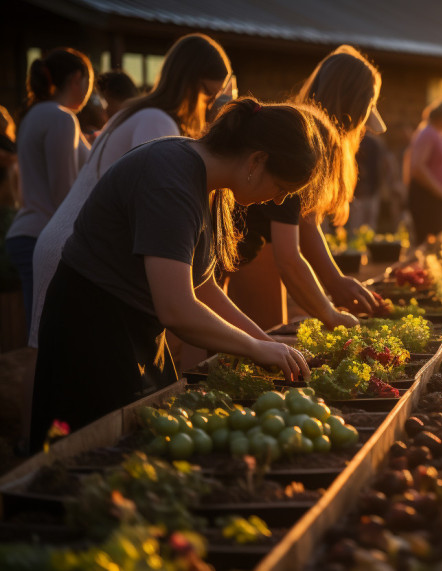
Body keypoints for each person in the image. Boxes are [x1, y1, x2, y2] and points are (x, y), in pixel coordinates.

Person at [30, 97, 336, 451]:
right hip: (92, 327)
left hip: (134, 326)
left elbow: (201, 285)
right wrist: (253, 347)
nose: (279, 202)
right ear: (257, 160)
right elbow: (176, 308)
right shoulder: (170, 177)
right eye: (281, 189)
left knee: (149, 446)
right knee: (93, 456)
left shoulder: (210, 184)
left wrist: (265, 343)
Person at [31, 33, 232, 349]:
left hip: (69, 239)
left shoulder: (139, 111)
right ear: (189, 84)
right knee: (54, 358)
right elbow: (153, 201)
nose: (209, 109)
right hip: (78, 247)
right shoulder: (157, 122)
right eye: (208, 95)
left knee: (47, 351)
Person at [226, 45, 384, 332]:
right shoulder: (302, 142)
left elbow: (304, 221)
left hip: (256, 242)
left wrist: (335, 282)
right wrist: (331, 313)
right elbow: (288, 257)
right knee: (262, 345)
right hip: (247, 239)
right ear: (354, 107)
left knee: (261, 344)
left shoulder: (308, 130)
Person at [5, 47, 93, 332]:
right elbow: (64, 194)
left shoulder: (33, 115)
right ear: (77, 78)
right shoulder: (60, 118)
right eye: (90, 81)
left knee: (43, 336)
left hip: (29, 233)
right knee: (48, 337)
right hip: (44, 238)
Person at [404, 96, 442, 245]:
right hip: (426, 197)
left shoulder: (437, 134)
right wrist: (439, 190)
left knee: (434, 241)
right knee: (427, 243)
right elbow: (417, 167)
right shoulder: (428, 133)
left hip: (434, 197)